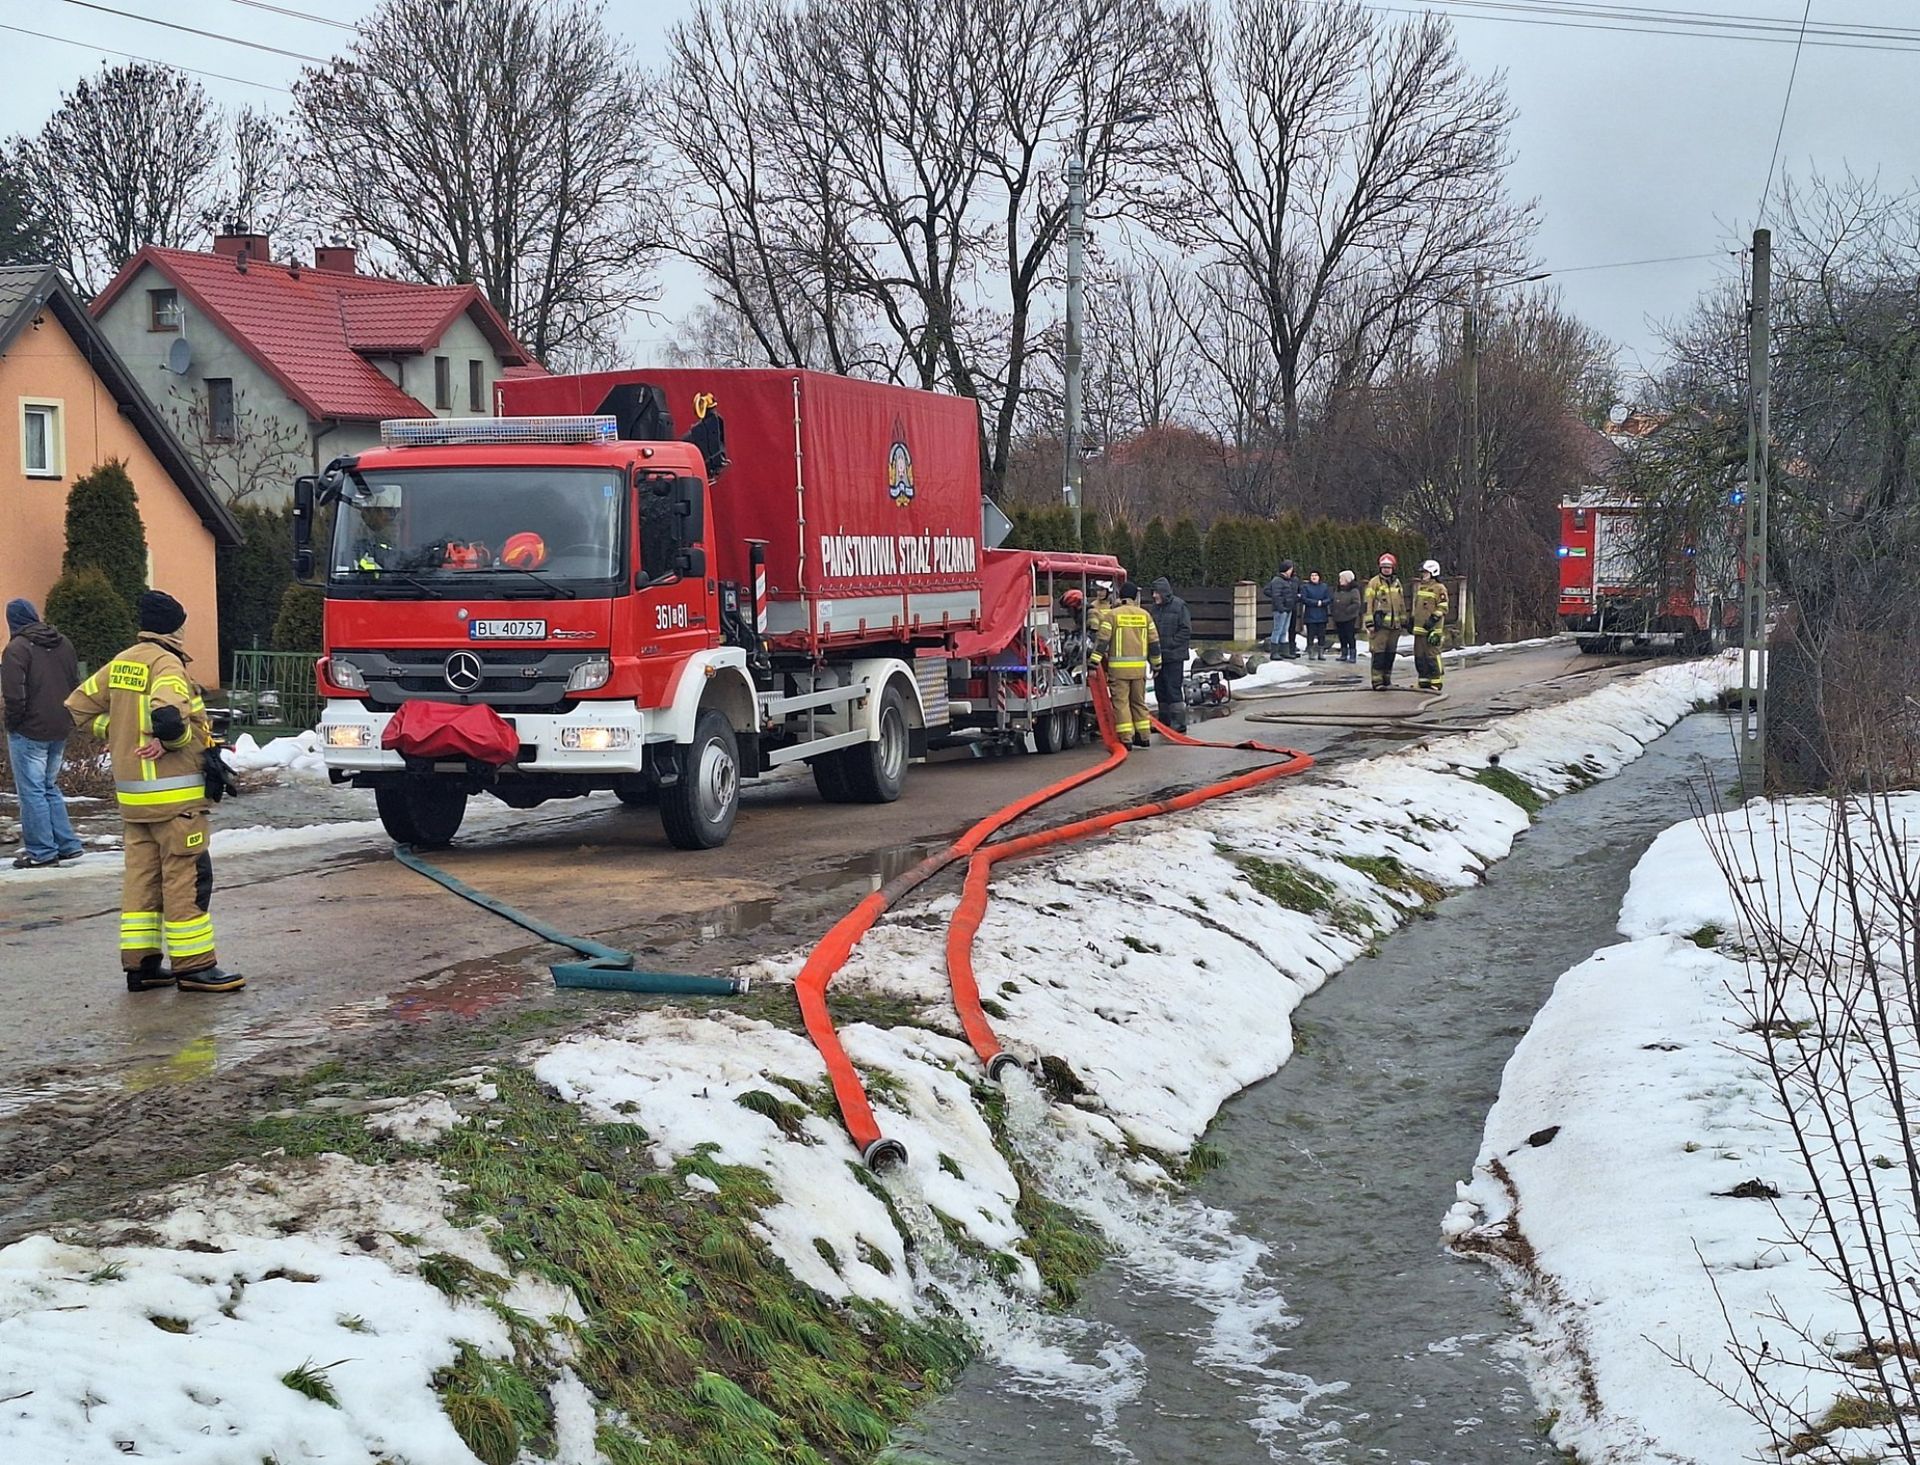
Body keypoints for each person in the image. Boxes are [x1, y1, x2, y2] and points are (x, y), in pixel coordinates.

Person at [66, 591, 244, 993]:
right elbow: (167, 717)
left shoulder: (122, 661)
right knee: (187, 879)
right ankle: (195, 967)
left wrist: (116, 729)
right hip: (175, 801)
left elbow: (76, 709)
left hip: (134, 801)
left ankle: (142, 966)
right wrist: (174, 739)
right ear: (176, 627)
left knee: (142, 881)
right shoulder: (166, 663)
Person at [4, 598, 85, 869]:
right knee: (49, 787)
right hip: (60, 724)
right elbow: (75, 684)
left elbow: (14, 694)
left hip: (30, 729)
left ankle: (41, 851)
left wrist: (13, 723)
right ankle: (68, 845)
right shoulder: (63, 643)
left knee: (32, 792)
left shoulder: (16, 649)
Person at [1093, 581, 1160, 749]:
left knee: (1121, 703)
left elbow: (1102, 641)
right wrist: (1156, 664)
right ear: (1135, 596)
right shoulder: (1145, 615)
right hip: (1139, 670)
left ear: (1120, 596)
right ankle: (1144, 736)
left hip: (1119, 671)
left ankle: (1126, 738)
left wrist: (1093, 662)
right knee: (1139, 703)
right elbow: (1154, 643)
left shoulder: (1113, 615)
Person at [1148, 577, 1191, 732]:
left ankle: (1179, 723)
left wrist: (1171, 643)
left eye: (1156, 593)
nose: (1154, 596)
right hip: (1158, 656)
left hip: (1174, 657)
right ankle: (1164, 721)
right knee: (1160, 689)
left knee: (1173, 689)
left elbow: (1186, 630)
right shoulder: (1154, 609)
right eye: (1153, 593)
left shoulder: (1179, 606)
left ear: (1164, 592)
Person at [1363, 553, 1411, 691]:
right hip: (1380, 626)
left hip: (1394, 627)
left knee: (1390, 654)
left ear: (1393, 568)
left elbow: (1401, 603)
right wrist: (1370, 623)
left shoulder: (1397, 583)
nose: (1386, 570)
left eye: (1388, 567)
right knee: (1379, 653)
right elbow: (1369, 603)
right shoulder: (1374, 582)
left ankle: (1387, 680)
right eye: (1383, 567)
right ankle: (1377, 682)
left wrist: (1403, 621)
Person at [1412, 558, 1450, 692]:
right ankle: (1423, 681)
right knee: (1419, 656)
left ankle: (1436, 681)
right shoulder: (1421, 587)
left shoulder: (1439, 588)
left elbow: (1443, 607)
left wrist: (1433, 619)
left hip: (1432, 629)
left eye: (1426, 573)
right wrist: (1413, 620)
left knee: (1432, 655)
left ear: (1433, 572)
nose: (1423, 575)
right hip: (1420, 629)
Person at [1264, 561, 1302, 658]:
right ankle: (1274, 652)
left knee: (1284, 630)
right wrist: (1281, 608)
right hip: (1281, 609)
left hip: (1288, 608)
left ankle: (1284, 651)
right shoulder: (1277, 580)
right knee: (1278, 629)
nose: (1291, 571)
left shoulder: (1288, 580)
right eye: (1290, 569)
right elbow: (1276, 595)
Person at [1299, 571, 1332, 661]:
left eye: (1316, 575)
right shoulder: (1305, 587)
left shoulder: (1324, 586)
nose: (1314, 577)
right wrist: (1316, 603)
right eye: (1312, 575)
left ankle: (1321, 653)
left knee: (1322, 635)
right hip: (1310, 614)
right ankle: (1311, 652)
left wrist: (1322, 603)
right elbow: (1304, 599)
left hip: (1322, 614)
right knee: (1311, 635)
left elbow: (1329, 598)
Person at [1331, 570, 1363, 664]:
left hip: (1349, 617)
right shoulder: (1338, 589)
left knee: (1350, 636)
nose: (1340, 580)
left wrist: (1348, 610)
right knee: (1341, 636)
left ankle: (1352, 654)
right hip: (1338, 617)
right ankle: (1344, 653)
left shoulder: (1354, 590)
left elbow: (1356, 603)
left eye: (1342, 578)